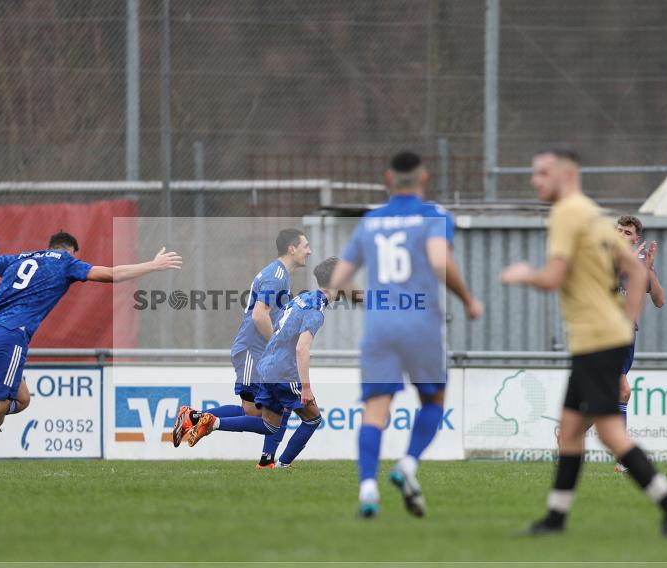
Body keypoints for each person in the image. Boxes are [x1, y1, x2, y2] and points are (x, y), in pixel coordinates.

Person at [501, 144, 667, 536]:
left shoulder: (566, 215)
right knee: (571, 430)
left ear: (566, 174)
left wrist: (523, 275)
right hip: (604, 337)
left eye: (541, 173)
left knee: (608, 432)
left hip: (595, 339)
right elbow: (636, 274)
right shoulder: (593, 214)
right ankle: (555, 519)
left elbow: (553, 278)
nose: (533, 180)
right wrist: (626, 324)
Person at [0, 232, 182, 478]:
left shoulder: (21, 258)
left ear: (50, 246)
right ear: (70, 251)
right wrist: (153, 265)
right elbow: (112, 275)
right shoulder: (66, 263)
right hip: (10, 337)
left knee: (22, 399)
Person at [330, 151, 484, 518]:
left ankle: (368, 489)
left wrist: (369, 301)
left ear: (388, 178)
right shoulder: (433, 215)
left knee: (374, 412)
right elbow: (437, 260)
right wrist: (468, 299)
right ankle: (407, 466)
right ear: (424, 177)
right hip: (421, 325)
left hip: (380, 327)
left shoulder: (370, 221)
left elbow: (337, 280)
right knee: (432, 402)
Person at [181, 257, 340, 469]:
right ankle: (282, 466)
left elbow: (279, 329)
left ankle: (212, 422)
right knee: (312, 419)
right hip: (284, 371)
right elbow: (302, 348)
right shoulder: (316, 309)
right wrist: (305, 387)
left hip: (266, 366)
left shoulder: (303, 299)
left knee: (269, 425)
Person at [172, 229, 312, 468]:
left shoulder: (280, 274)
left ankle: (198, 419)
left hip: (257, 351)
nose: (309, 250)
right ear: (292, 248)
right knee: (257, 414)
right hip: (253, 350)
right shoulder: (276, 276)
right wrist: (276, 346)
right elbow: (259, 315)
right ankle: (198, 418)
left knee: (263, 412)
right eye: (305, 245)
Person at [614, 216, 665, 467]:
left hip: (627, 338)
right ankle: (623, 458)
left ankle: (570, 433)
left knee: (608, 398)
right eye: (619, 230)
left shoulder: (641, 264)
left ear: (637, 239)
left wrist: (648, 271)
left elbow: (659, 300)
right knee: (624, 391)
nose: (621, 234)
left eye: (627, 232)